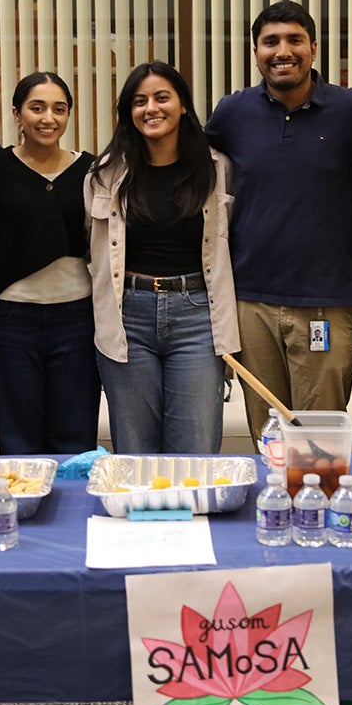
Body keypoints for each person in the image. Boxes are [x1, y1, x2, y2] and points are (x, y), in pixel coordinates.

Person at [206, 0, 352, 447]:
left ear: (314, 49)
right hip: (250, 302)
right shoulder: (231, 114)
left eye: (294, 40)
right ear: (256, 52)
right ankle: (276, 516)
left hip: (327, 300)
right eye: (270, 42)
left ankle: (319, 514)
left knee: (319, 442)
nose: (283, 50)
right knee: (270, 438)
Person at [85, 61, 240, 453]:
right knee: (135, 450)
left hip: (198, 316)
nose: (150, 108)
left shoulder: (217, 168)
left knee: (196, 448)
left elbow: (232, 242)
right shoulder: (104, 175)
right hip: (126, 318)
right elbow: (91, 246)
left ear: (183, 105)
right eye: (139, 101)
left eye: (161, 97)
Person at [0, 72, 99, 454]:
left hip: (77, 318)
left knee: (75, 438)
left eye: (59, 109)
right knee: (18, 439)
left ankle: (75, 514)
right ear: (17, 113)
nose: (49, 118)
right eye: (37, 108)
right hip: (13, 321)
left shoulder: (91, 170)